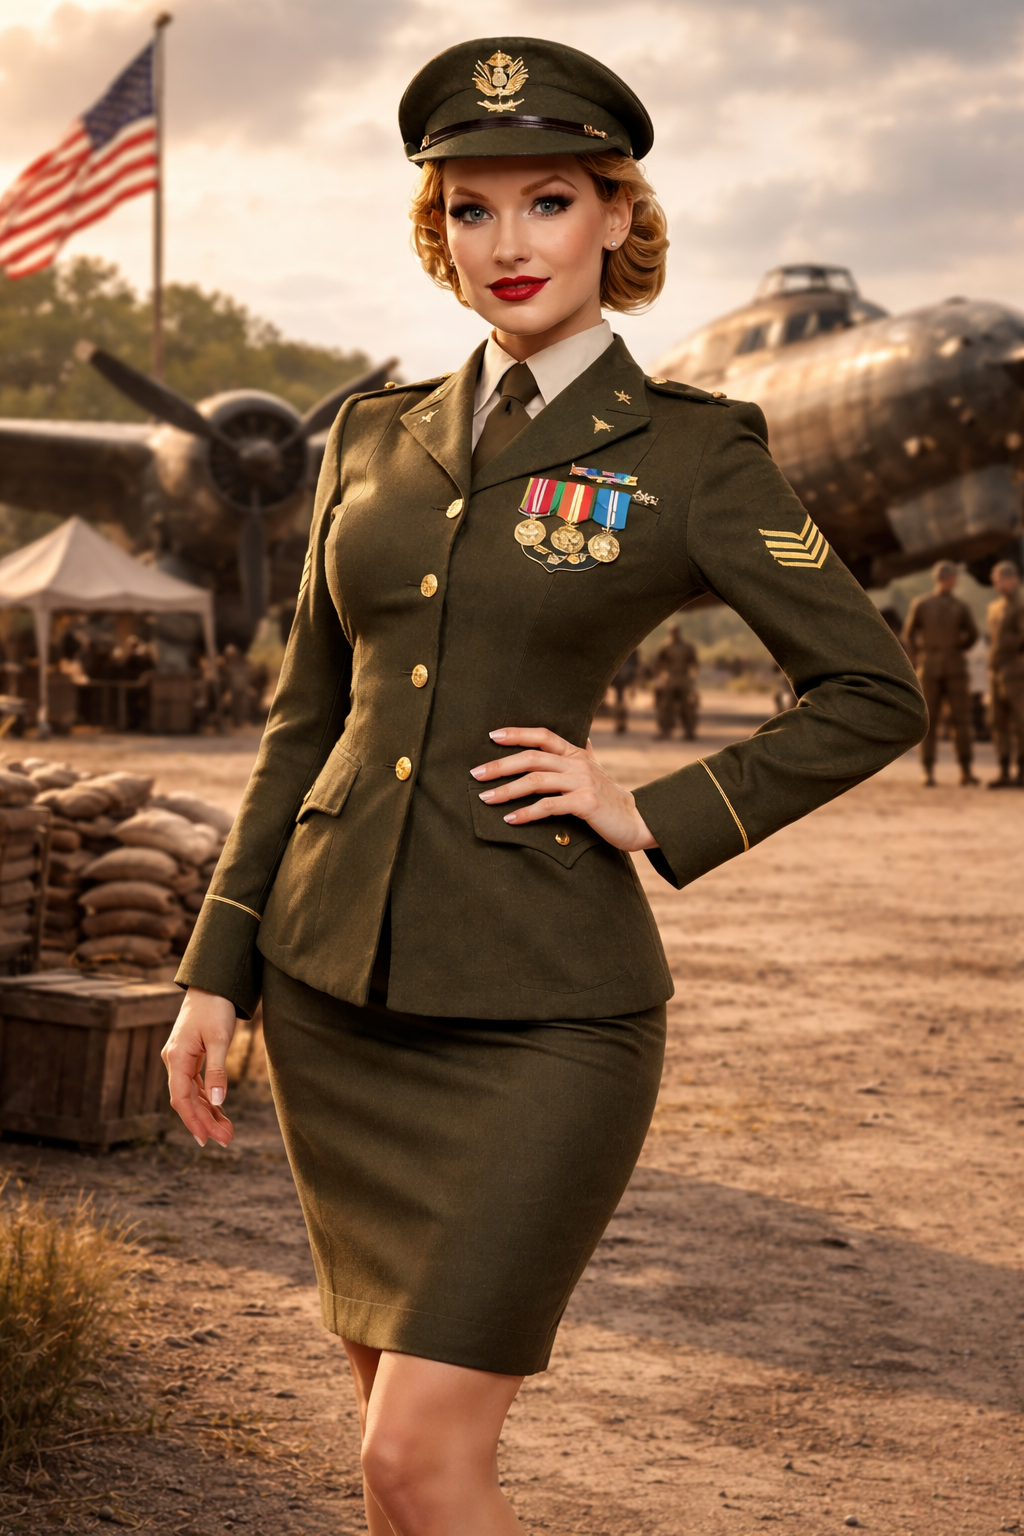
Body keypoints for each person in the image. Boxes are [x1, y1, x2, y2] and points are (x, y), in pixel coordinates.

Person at [160, 37, 926, 1536]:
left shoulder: (693, 453)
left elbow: (872, 690)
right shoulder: (369, 437)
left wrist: (659, 808)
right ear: (437, 231)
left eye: (550, 201)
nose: (508, 242)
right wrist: (216, 967)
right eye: (471, 208)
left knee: (414, 1463)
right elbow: (304, 721)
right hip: (331, 996)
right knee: (391, 1462)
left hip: (546, 1017)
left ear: (617, 216)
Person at [903, 560, 978, 786]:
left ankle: (961, 769)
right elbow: (909, 633)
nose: (953, 580)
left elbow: (972, 634)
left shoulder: (957, 606)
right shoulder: (925, 604)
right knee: (933, 720)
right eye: (952, 577)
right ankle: (932, 769)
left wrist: (923, 654)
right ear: (946, 579)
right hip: (937, 668)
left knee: (958, 719)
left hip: (946, 668)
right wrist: (919, 656)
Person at [986, 559, 1024, 787]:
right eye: (996, 580)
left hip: (1017, 671)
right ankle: (1003, 770)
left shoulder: (1021, 605)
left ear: (1014, 580)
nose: (999, 584)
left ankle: (1022, 772)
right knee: (997, 721)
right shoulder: (995, 607)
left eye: (1003, 580)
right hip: (998, 670)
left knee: (1021, 721)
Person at [652, 623, 699, 739]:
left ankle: (689, 731)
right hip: (670, 678)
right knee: (666, 705)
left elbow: (694, 663)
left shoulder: (687, 647)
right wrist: (659, 677)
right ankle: (665, 730)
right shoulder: (666, 646)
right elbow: (658, 663)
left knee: (687, 706)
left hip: (683, 677)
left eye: (675, 631)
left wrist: (693, 677)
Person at [609, 646, 643, 732]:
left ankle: (621, 723)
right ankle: (620, 723)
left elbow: (636, 666)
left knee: (622, 701)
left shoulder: (633, 649)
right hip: (619, 679)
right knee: (620, 701)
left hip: (626, 679)